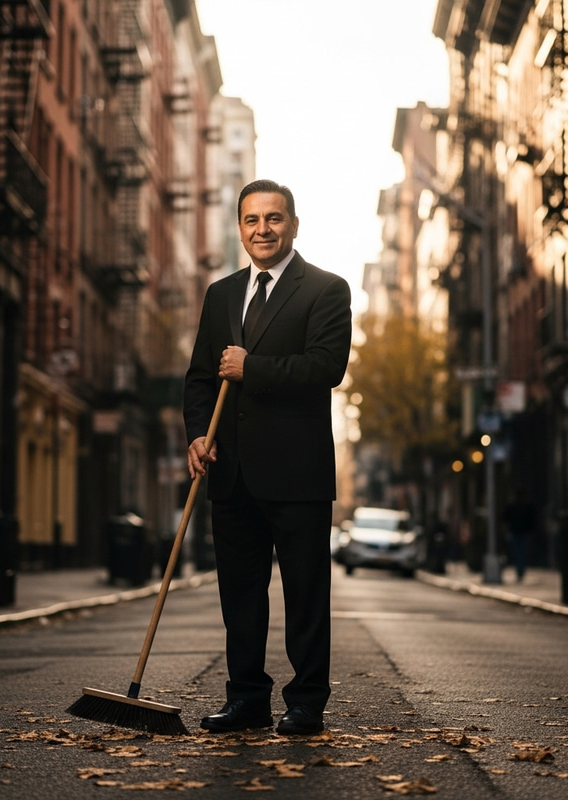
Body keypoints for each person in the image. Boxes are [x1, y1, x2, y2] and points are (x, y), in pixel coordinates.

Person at [183, 179, 352, 736]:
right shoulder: (221, 294)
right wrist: (197, 436)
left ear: (294, 225)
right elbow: (201, 379)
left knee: (305, 593)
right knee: (241, 597)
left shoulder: (326, 290)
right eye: (252, 220)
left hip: (297, 472)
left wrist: (251, 368)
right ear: (240, 228)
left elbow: (327, 368)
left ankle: (306, 703)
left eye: (274, 219)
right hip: (229, 472)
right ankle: (247, 698)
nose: (263, 229)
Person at [502, 487, 537, 582]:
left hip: (519, 533)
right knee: (521, 553)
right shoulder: (524, 506)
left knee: (519, 553)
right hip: (520, 533)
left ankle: (520, 571)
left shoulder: (515, 506)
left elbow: (505, 518)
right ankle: (520, 571)